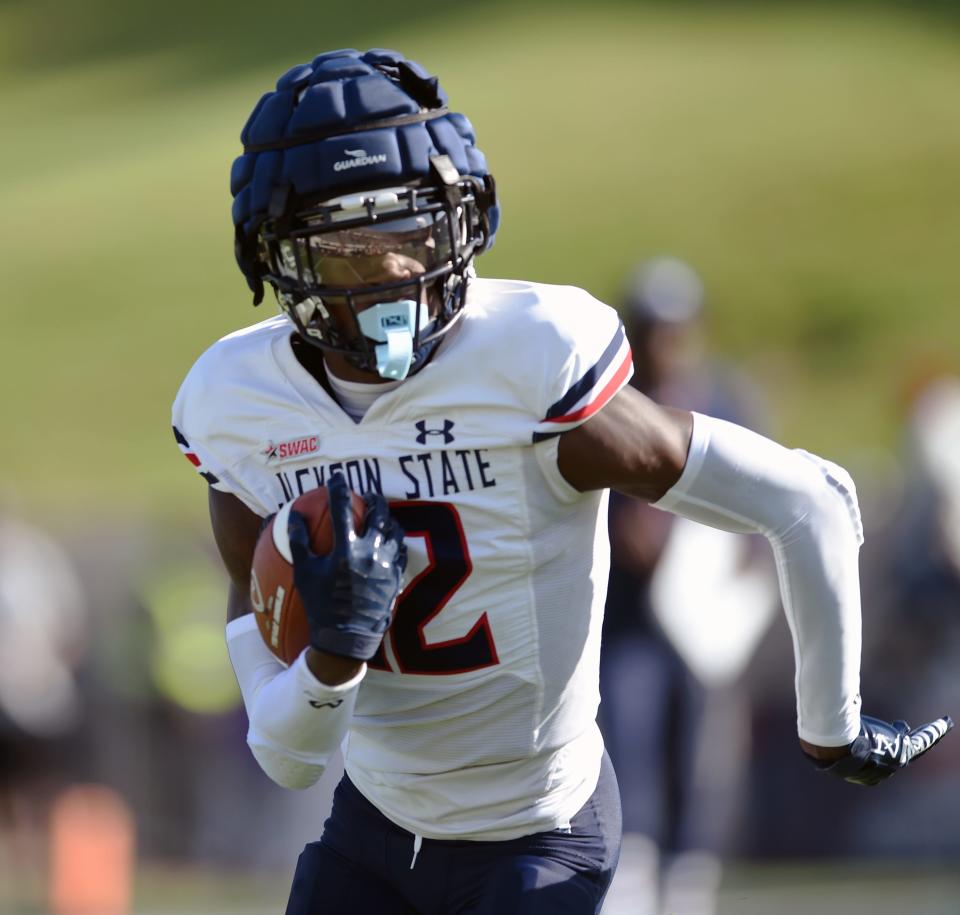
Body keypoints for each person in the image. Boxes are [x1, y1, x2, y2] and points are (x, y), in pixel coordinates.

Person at [172, 49, 952, 914]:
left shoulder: (532, 361)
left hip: (538, 829)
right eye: (355, 250)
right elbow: (288, 756)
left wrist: (831, 726)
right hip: (376, 823)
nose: (397, 272)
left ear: (465, 216)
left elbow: (806, 500)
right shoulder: (239, 408)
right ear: (281, 261)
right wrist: (335, 653)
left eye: (415, 232)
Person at [599, 259, 775, 915]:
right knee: (627, 738)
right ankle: (634, 871)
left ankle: (688, 878)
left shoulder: (724, 401)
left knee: (698, 753)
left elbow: (766, 503)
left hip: (704, 626)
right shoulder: (612, 403)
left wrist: (739, 581)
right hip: (629, 620)